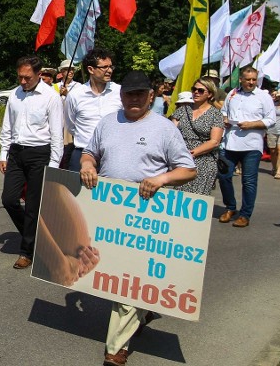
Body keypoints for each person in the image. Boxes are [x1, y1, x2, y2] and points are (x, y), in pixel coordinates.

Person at [79, 70, 197, 366]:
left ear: (151, 96)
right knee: (110, 272)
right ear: (121, 96)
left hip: (145, 218)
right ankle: (146, 310)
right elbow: (89, 152)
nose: (134, 99)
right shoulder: (108, 123)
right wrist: (86, 164)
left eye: (140, 94)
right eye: (129, 94)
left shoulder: (164, 128)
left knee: (127, 283)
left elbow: (188, 169)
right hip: (108, 213)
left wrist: (162, 178)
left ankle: (115, 349)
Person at [0, 55, 64, 270]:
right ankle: (34, 235)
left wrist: (54, 164)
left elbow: (57, 134)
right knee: (9, 199)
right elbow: (7, 125)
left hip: (39, 154)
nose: (23, 82)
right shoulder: (15, 95)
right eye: (20, 77)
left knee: (34, 206)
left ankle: (27, 251)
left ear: (39, 75)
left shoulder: (50, 97)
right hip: (17, 153)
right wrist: (3, 153)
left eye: (27, 78)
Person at [217, 66, 276, 228]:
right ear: (241, 79)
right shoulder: (233, 94)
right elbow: (223, 112)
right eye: (247, 79)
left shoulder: (263, 96)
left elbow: (271, 119)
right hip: (230, 142)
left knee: (248, 181)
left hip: (251, 144)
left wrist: (252, 124)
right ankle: (230, 208)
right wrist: (225, 119)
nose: (251, 82)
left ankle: (245, 214)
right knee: (223, 176)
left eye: (253, 79)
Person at [64, 48, 122, 172]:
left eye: (111, 66)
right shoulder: (75, 95)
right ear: (91, 69)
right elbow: (71, 125)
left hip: (113, 156)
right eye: (104, 67)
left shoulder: (120, 92)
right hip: (81, 155)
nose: (109, 70)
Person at [171, 80, 225, 194]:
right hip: (181, 159)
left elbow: (214, 141)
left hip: (204, 161)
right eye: (194, 89)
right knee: (178, 196)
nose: (196, 92)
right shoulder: (182, 110)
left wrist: (192, 153)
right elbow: (171, 133)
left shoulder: (216, 114)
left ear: (209, 94)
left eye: (200, 90)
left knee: (197, 198)